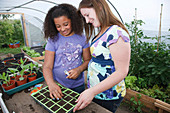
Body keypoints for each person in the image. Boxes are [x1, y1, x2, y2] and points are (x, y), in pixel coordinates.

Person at [73, 0, 131, 113]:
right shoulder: (102, 31)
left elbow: (122, 72)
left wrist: (92, 92)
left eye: (87, 15)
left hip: (108, 96)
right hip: (97, 91)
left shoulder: (117, 33)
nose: (86, 20)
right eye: (84, 17)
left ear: (99, 7)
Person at [43, 4, 91, 100]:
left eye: (66, 24)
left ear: (73, 21)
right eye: (58, 26)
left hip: (78, 86)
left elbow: (88, 60)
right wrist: (51, 84)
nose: (63, 29)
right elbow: (47, 66)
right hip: (58, 85)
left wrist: (79, 70)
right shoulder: (53, 40)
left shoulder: (82, 38)